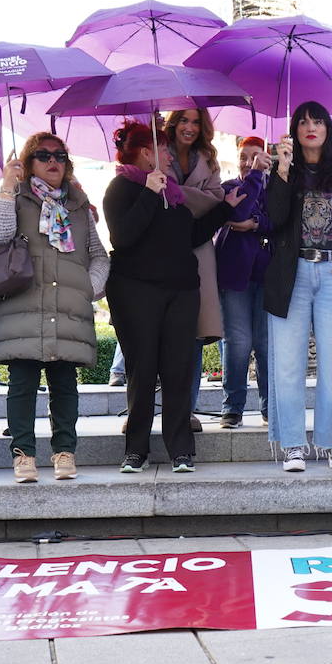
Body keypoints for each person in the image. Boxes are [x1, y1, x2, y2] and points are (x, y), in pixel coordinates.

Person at [105, 122, 238, 473]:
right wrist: (149, 193)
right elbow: (123, 237)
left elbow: (190, 235)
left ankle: (181, 448)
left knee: (178, 369)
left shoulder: (173, 193)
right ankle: (136, 448)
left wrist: (225, 210)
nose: (168, 155)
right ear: (146, 153)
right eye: (162, 149)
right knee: (143, 370)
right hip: (136, 292)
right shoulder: (121, 187)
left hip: (180, 290)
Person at [0, 133, 108, 482]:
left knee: (64, 383)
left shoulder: (79, 206)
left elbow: (98, 255)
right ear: (29, 161)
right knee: (21, 384)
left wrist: (89, 287)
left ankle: (65, 453)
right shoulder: (17, 197)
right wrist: (8, 187)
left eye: (59, 155)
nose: (52, 160)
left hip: (67, 308)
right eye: (42, 155)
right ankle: (23, 455)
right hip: (22, 307)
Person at [264, 100, 332, 472]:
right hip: (292, 273)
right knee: (288, 365)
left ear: (328, 128)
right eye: (303, 121)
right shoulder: (284, 172)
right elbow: (274, 220)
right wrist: (281, 169)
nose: (311, 127)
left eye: (318, 121)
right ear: (294, 130)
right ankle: (294, 445)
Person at [165, 109, 226, 434]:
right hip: (158, 250)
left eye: (196, 122)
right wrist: (196, 197)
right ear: (173, 123)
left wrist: (174, 193)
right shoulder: (158, 152)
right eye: (184, 120)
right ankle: (141, 410)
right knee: (152, 337)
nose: (189, 127)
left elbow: (215, 201)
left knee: (191, 334)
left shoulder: (209, 160)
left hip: (199, 250)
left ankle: (186, 410)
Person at [215, 136, 273, 428]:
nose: (248, 163)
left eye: (255, 157)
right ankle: (233, 406)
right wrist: (254, 176)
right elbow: (238, 211)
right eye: (244, 158)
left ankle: (268, 407)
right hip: (234, 273)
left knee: (264, 343)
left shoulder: (276, 188)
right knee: (238, 342)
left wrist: (256, 224)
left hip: (267, 274)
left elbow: (278, 221)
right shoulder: (228, 187)